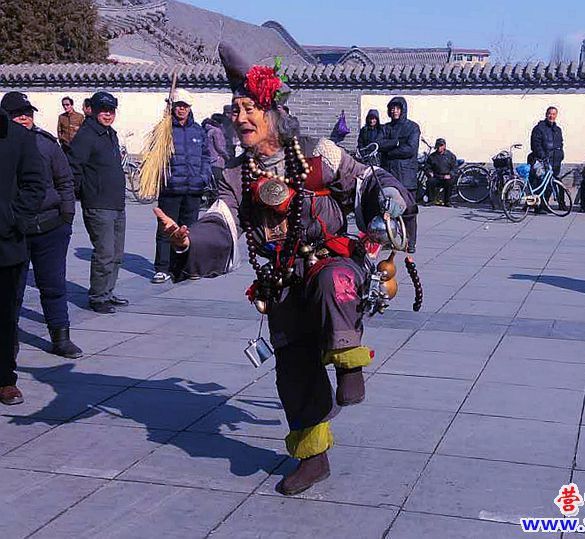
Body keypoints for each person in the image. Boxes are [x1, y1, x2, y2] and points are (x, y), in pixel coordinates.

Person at [156, 43, 413, 495]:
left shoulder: (317, 154)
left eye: (249, 108)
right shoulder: (235, 176)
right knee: (293, 369)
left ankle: (349, 363)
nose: (240, 118)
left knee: (335, 283)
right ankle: (313, 458)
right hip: (280, 280)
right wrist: (188, 239)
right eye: (235, 110)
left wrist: (388, 196)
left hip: (330, 258)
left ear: (273, 111)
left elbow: (366, 179)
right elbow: (222, 221)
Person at [1, 92, 82, 359]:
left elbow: (65, 181)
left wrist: (66, 216)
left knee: (53, 285)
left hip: (50, 226)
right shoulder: (4, 145)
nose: (24, 118)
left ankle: (61, 337)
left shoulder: (46, 143)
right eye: (17, 114)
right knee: (12, 291)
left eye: (28, 113)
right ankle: (8, 344)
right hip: (15, 230)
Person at [0, 105, 45, 405]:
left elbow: (35, 184)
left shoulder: (16, 135)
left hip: (4, 243)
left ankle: (5, 379)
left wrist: (11, 219)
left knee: (3, 317)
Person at [67, 91, 128, 314]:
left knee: (116, 254)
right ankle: (98, 297)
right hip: (98, 203)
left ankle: (107, 292)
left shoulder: (110, 134)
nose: (108, 114)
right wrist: (78, 195)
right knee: (104, 252)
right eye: (103, 110)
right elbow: (73, 167)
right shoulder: (87, 135)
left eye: (111, 111)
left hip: (116, 202)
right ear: (93, 111)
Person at [151, 88, 211, 284]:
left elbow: (206, 157)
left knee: (189, 230)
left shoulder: (198, 131)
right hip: (171, 190)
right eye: (178, 106)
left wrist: (203, 177)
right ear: (173, 107)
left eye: (185, 106)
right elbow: (154, 158)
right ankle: (162, 267)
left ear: (190, 108)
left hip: (193, 189)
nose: (182, 109)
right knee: (166, 229)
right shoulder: (164, 130)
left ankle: (185, 266)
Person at [379, 96, 420, 253]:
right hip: (388, 174)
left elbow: (409, 149)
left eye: (397, 108)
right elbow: (379, 143)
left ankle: (410, 242)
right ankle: (389, 239)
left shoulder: (412, 127)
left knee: (409, 211)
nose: (394, 111)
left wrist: (389, 151)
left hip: (406, 175)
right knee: (387, 209)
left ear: (403, 110)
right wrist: (396, 143)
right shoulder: (386, 128)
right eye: (392, 108)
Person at [530, 106, 564, 211]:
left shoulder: (558, 130)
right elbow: (535, 145)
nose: (551, 116)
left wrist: (561, 154)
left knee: (550, 184)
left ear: (556, 115)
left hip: (555, 161)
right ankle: (537, 206)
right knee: (540, 183)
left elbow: (560, 144)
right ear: (546, 114)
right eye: (549, 114)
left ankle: (545, 205)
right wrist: (543, 156)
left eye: (553, 114)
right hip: (542, 161)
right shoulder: (539, 128)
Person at [425, 138, 458, 206]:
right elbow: (427, 167)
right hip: (436, 176)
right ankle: (431, 200)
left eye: (441, 145)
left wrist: (450, 175)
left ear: (444, 146)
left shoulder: (450, 156)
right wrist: (429, 172)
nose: (439, 147)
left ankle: (447, 201)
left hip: (446, 176)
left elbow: (455, 168)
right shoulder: (432, 156)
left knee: (450, 182)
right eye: (438, 145)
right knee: (430, 182)